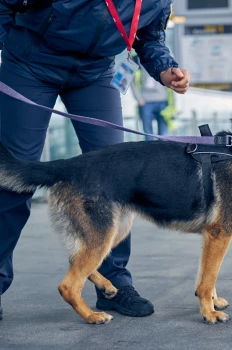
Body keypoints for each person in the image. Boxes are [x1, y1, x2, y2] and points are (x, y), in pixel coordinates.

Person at [0, 0, 189, 321]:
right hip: (31, 65)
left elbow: (149, 37)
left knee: (117, 181)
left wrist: (164, 67)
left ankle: (112, 285)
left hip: (95, 71)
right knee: (14, 180)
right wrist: (7, 41)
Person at [129, 54, 177, 140]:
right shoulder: (136, 59)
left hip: (162, 100)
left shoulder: (164, 57)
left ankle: (162, 153)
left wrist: (172, 103)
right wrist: (139, 98)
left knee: (163, 135)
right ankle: (150, 153)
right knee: (148, 134)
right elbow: (131, 80)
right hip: (145, 101)